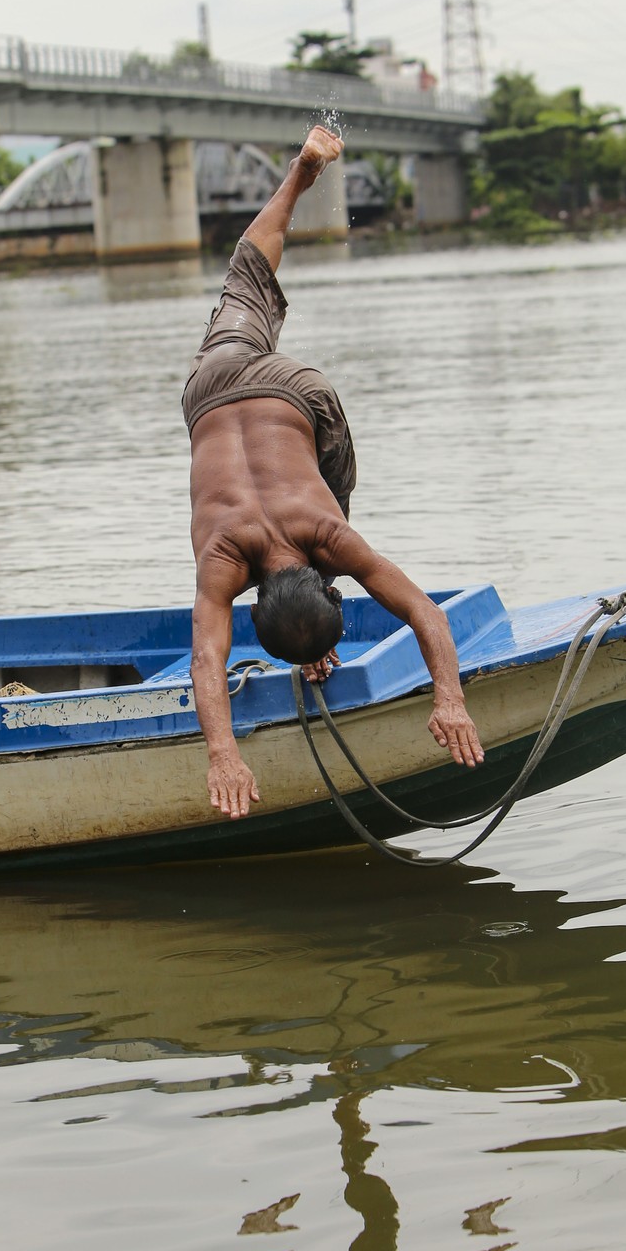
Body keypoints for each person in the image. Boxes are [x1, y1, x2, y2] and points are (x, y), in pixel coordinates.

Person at [185, 125, 484, 821]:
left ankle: (300, 172)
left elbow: (207, 662)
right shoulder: (284, 545)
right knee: (246, 273)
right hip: (215, 390)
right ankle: (301, 171)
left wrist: (223, 754)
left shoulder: (242, 556)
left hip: (271, 391)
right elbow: (425, 613)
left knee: (246, 275)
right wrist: (451, 698)